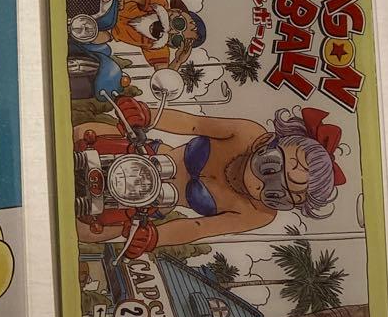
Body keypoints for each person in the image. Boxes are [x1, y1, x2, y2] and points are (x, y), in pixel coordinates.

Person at [74, 101, 345, 252]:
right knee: (83, 136)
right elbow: (194, 124)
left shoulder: (260, 214)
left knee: (88, 231)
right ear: (274, 144)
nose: (266, 183)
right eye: (273, 168)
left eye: (283, 193)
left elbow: (199, 228)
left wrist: (155, 238)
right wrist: (147, 115)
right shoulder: (247, 134)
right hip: (147, 156)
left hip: (148, 203)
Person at [111, 0, 207, 70]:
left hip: (109, 31)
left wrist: (178, 61)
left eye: (177, 39)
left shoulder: (158, 48)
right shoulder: (160, 3)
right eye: (179, 23)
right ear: (175, 10)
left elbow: (163, 76)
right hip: (111, 4)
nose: (170, 30)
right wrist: (121, 0)